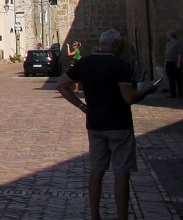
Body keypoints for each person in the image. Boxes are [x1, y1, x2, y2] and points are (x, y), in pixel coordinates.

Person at [56, 29, 157, 220]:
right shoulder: (119, 65)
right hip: (119, 124)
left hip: (95, 123)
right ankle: (121, 216)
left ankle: (94, 214)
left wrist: (82, 107)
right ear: (115, 44)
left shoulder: (84, 62)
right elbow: (128, 98)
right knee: (121, 172)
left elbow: (61, 85)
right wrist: (147, 91)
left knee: (97, 170)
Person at [166, 30, 181, 98]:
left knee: (177, 78)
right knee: (170, 79)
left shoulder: (177, 43)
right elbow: (166, 53)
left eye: (168, 35)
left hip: (174, 63)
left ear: (171, 35)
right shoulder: (168, 43)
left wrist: (178, 63)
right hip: (168, 62)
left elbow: (179, 54)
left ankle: (180, 92)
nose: (167, 36)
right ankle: (173, 93)